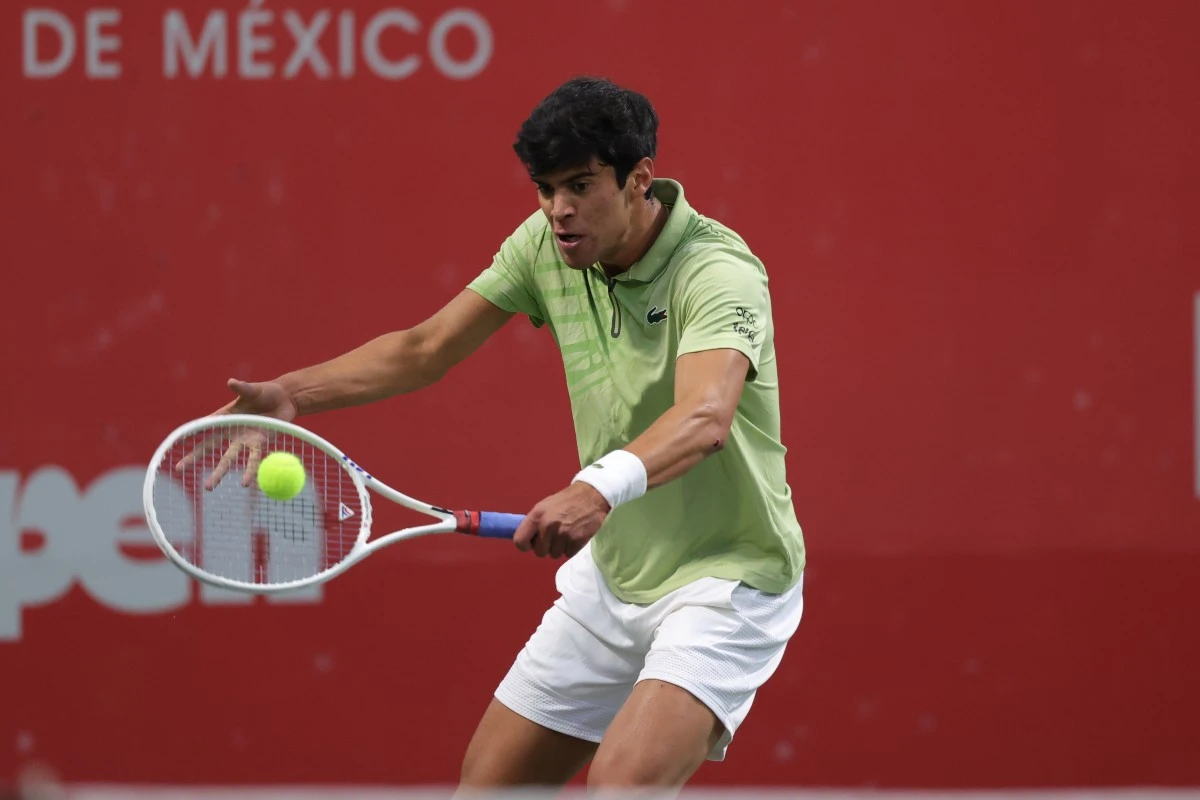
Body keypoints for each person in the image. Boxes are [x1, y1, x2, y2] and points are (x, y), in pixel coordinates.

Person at [208, 76, 806, 793]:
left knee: (620, 786)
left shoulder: (716, 271)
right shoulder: (545, 246)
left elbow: (706, 418)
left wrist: (596, 488)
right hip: (615, 575)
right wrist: (292, 394)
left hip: (725, 580)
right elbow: (426, 348)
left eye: (581, 185)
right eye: (545, 188)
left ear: (639, 178)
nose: (559, 211)